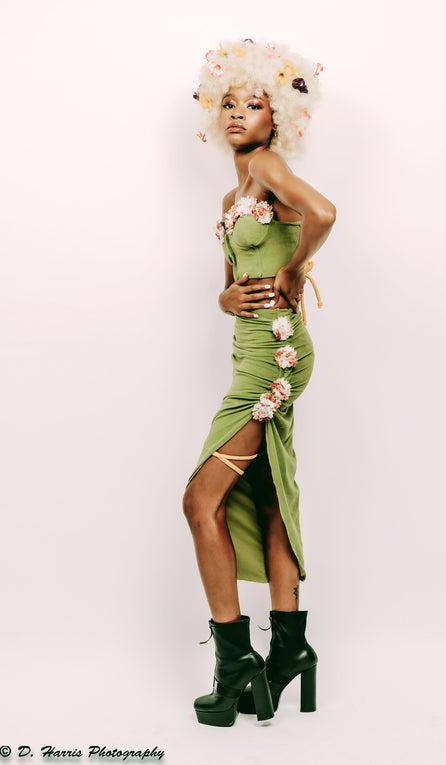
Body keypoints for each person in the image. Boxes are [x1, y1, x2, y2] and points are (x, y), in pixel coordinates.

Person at [182, 39, 336, 727]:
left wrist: (294, 269)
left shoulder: (269, 167)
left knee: (200, 500)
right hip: (248, 350)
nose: (239, 112)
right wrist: (225, 299)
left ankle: (235, 664)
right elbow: (231, 284)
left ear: (279, 118)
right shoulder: (232, 193)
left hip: (274, 358)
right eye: (230, 103)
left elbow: (323, 214)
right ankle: (289, 650)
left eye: (254, 103)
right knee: (269, 495)